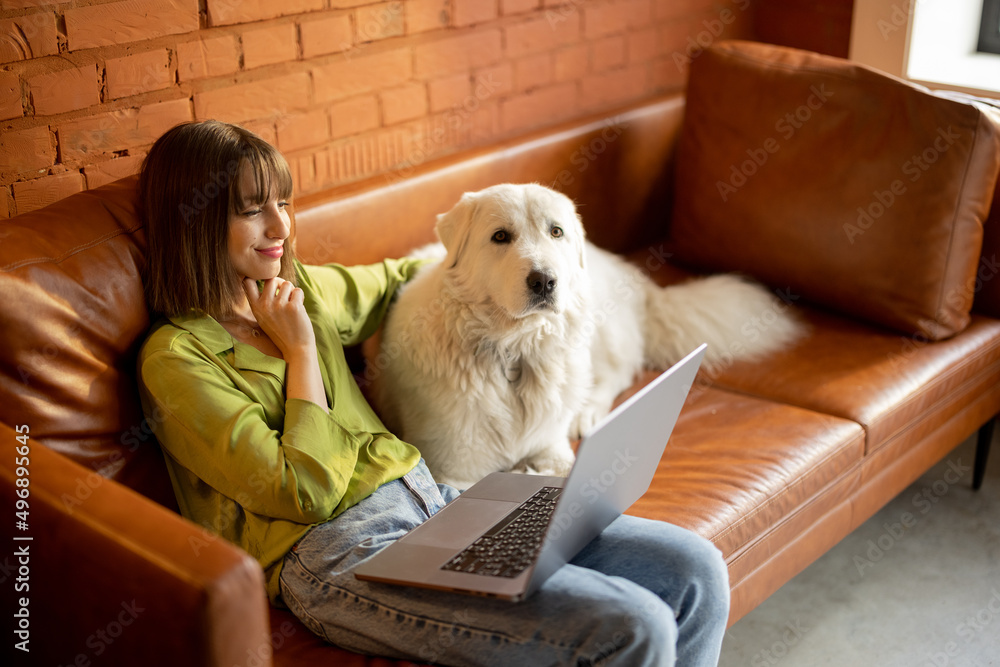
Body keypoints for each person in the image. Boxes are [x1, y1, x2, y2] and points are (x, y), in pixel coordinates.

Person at [136, 119, 730, 666]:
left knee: (694, 567)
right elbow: (307, 493)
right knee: (635, 624)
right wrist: (301, 352)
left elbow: (412, 274)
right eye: (251, 210)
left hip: (436, 500)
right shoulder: (176, 360)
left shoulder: (303, 291)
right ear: (196, 219)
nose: (282, 227)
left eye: (284, 203)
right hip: (335, 559)